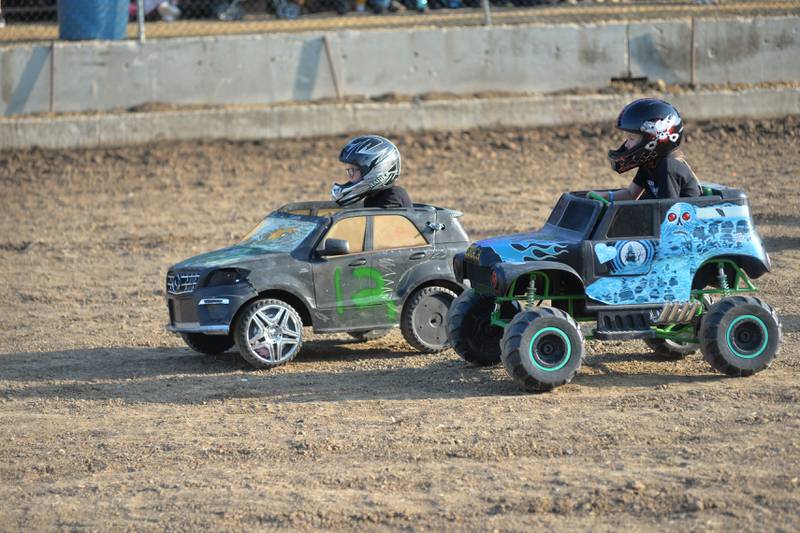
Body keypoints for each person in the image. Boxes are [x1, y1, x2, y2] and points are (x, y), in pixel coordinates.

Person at [591, 98, 700, 203]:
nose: (627, 144)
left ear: (655, 138)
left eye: (631, 138)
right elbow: (631, 194)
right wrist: (607, 196)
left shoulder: (668, 167)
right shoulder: (649, 163)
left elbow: (667, 209)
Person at [331, 135, 412, 208]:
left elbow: (383, 224)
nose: (350, 176)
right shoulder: (372, 198)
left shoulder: (393, 196)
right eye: (348, 170)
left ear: (377, 169)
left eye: (352, 170)